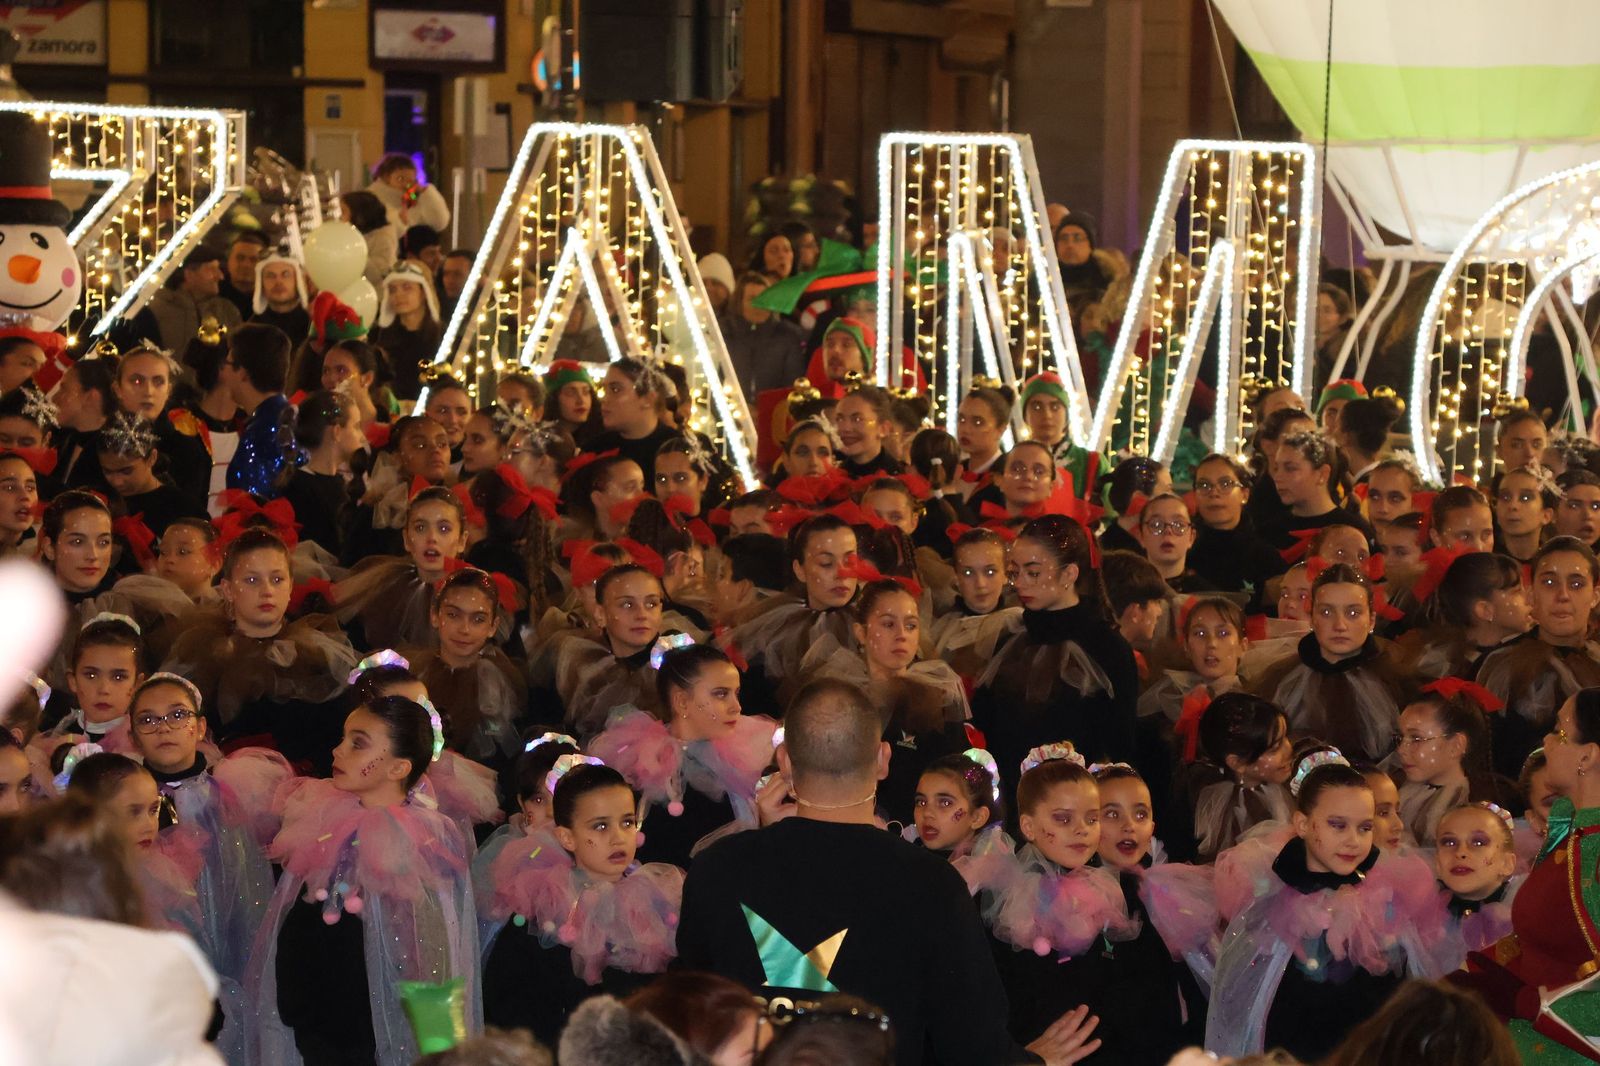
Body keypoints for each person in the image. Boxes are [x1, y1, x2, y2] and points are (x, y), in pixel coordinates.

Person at [677, 678, 1100, 1066]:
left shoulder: (716, 868)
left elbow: (687, 1021)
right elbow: (971, 1048)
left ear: (785, 762)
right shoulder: (930, 883)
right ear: (882, 759)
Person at [248, 694, 479, 1066]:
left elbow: (432, 952)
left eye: (358, 744)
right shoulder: (324, 817)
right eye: (343, 739)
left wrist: (433, 1044)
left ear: (399, 767)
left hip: (369, 1033)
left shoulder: (420, 838)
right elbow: (296, 916)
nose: (337, 751)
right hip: (318, 1024)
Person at [1207, 754, 1440, 1060]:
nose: (1353, 841)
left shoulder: (1383, 903)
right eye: (1337, 825)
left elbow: (1403, 1006)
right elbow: (1248, 1014)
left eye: (1365, 827)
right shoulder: (1271, 913)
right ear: (1302, 823)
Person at [480, 759, 682, 1044]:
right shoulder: (544, 913)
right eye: (600, 826)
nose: (618, 838)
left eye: (627, 822)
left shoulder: (656, 901)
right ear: (566, 836)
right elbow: (515, 1016)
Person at [971, 514, 1139, 805]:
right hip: (1008, 800)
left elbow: (1120, 745)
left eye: (1033, 572)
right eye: (1014, 572)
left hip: (1077, 805)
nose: (1020, 582)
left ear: (1069, 574)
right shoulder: (1009, 641)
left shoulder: (1107, 647)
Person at [590, 643, 776, 870]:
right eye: (721, 694)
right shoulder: (644, 765)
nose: (736, 707)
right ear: (682, 702)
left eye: (736, 693)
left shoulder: (744, 755)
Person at [222, 322, 295, 499]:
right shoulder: (291, 418)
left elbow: (251, 509)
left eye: (228, 363)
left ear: (243, 373)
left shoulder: (260, 434)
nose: (224, 371)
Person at [722, 271, 806, 408]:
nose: (759, 304)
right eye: (752, 299)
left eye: (764, 298)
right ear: (740, 302)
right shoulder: (724, 334)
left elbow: (792, 384)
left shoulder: (787, 337)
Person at [139, 246, 242, 353]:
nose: (220, 276)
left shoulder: (226, 310)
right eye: (211, 269)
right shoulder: (158, 309)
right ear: (189, 274)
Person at [369, 261, 444, 402]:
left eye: (407, 287)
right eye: (392, 290)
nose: (398, 295)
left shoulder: (443, 336)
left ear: (423, 292)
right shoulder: (378, 337)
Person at [365, 151, 451, 235]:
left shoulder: (414, 200)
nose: (405, 184)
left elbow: (439, 222)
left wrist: (426, 193)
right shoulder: (371, 199)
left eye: (410, 181)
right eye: (400, 179)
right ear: (386, 177)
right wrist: (402, 221)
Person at [249, 248, 311, 348]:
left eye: (286, 274)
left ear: (298, 280)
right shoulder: (253, 328)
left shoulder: (314, 324)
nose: (278, 282)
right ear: (261, 284)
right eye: (270, 276)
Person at [342, 190, 399, 288]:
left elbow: (379, 272)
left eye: (343, 211)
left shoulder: (383, 239)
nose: (339, 217)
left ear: (359, 215)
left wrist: (353, 255)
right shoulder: (352, 235)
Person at [218, 230, 268, 321]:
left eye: (253, 260)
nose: (246, 265)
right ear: (228, 261)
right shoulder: (214, 294)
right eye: (240, 258)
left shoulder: (270, 300)